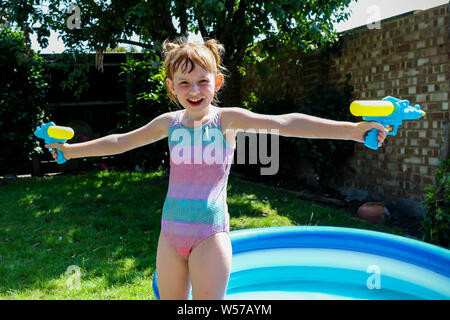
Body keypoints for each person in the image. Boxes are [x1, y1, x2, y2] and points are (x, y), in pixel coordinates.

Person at [46, 38, 388, 300]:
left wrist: (353, 131)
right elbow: (120, 142)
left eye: (202, 82)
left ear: (217, 83)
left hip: (209, 236)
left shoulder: (227, 120)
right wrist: (71, 151)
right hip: (169, 235)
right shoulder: (169, 123)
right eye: (184, 83)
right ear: (171, 87)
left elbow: (285, 123)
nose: (194, 91)